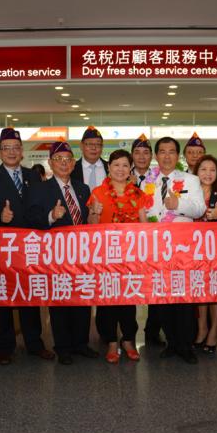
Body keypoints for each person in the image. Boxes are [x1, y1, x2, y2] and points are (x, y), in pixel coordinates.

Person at [0, 128, 51, 365]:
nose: (11, 152)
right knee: (3, 295)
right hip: (3, 247)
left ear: (22, 151)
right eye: (6, 148)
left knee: (29, 295)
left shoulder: (33, 176)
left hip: (28, 247)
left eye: (16, 148)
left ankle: (34, 343)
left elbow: (39, 209)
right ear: (0, 152)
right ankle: (4, 347)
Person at [28, 140, 99, 365]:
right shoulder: (39, 189)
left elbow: (87, 222)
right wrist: (51, 216)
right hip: (56, 255)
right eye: (59, 159)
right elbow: (32, 219)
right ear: (50, 163)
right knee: (60, 301)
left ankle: (81, 343)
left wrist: (94, 214)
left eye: (68, 159)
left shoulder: (82, 188)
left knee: (83, 299)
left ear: (73, 163)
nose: (64, 163)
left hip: (82, 254)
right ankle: (63, 347)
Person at [146, 137, 207, 364]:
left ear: (177, 155)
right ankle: (171, 342)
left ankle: (186, 345)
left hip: (183, 249)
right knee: (163, 297)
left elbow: (199, 209)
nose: (166, 156)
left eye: (171, 151)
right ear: (156, 156)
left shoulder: (190, 180)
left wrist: (178, 205)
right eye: (162, 151)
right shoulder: (147, 182)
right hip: (157, 249)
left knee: (184, 298)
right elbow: (144, 212)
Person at [87, 149, 151, 363]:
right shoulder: (98, 192)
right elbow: (91, 226)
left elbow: (144, 225)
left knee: (128, 299)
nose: (120, 169)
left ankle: (128, 340)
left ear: (130, 168)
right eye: (116, 165)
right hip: (105, 256)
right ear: (109, 167)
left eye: (125, 165)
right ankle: (111, 342)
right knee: (107, 300)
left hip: (130, 257)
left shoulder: (138, 194)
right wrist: (94, 212)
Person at [128, 134, 163, 345]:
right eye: (137, 152)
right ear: (132, 155)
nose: (141, 157)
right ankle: (127, 333)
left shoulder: (160, 177)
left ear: (151, 156)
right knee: (128, 284)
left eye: (146, 153)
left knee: (156, 284)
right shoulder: (122, 174)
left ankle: (153, 330)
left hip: (153, 239)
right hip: (128, 241)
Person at [192, 155, 217, 353]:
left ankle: (213, 330)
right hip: (192, 251)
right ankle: (201, 328)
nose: (208, 174)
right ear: (196, 172)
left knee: (214, 290)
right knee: (199, 289)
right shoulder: (189, 193)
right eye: (203, 169)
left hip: (215, 250)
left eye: (212, 170)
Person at [72, 125, 108, 191]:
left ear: (102, 147)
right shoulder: (72, 169)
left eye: (98, 144)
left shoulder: (110, 168)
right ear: (81, 146)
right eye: (90, 144)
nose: (94, 148)